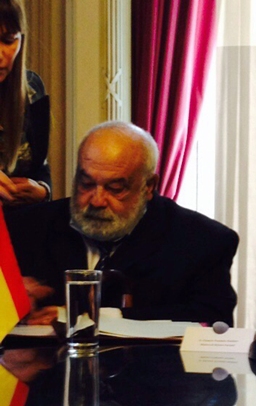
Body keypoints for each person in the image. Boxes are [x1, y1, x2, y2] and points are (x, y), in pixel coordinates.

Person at [6, 121, 238, 325]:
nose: (96, 200)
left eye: (115, 188)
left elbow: (213, 321)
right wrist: (6, 303)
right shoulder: (26, 227)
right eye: (86, 184)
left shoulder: (203, 241)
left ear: (149, 186)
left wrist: (98, 317)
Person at [0, 0, 51, 206]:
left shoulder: (33, 89)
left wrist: (43, 191)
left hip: (20, 220)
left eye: (8, 40)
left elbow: (41, 166)